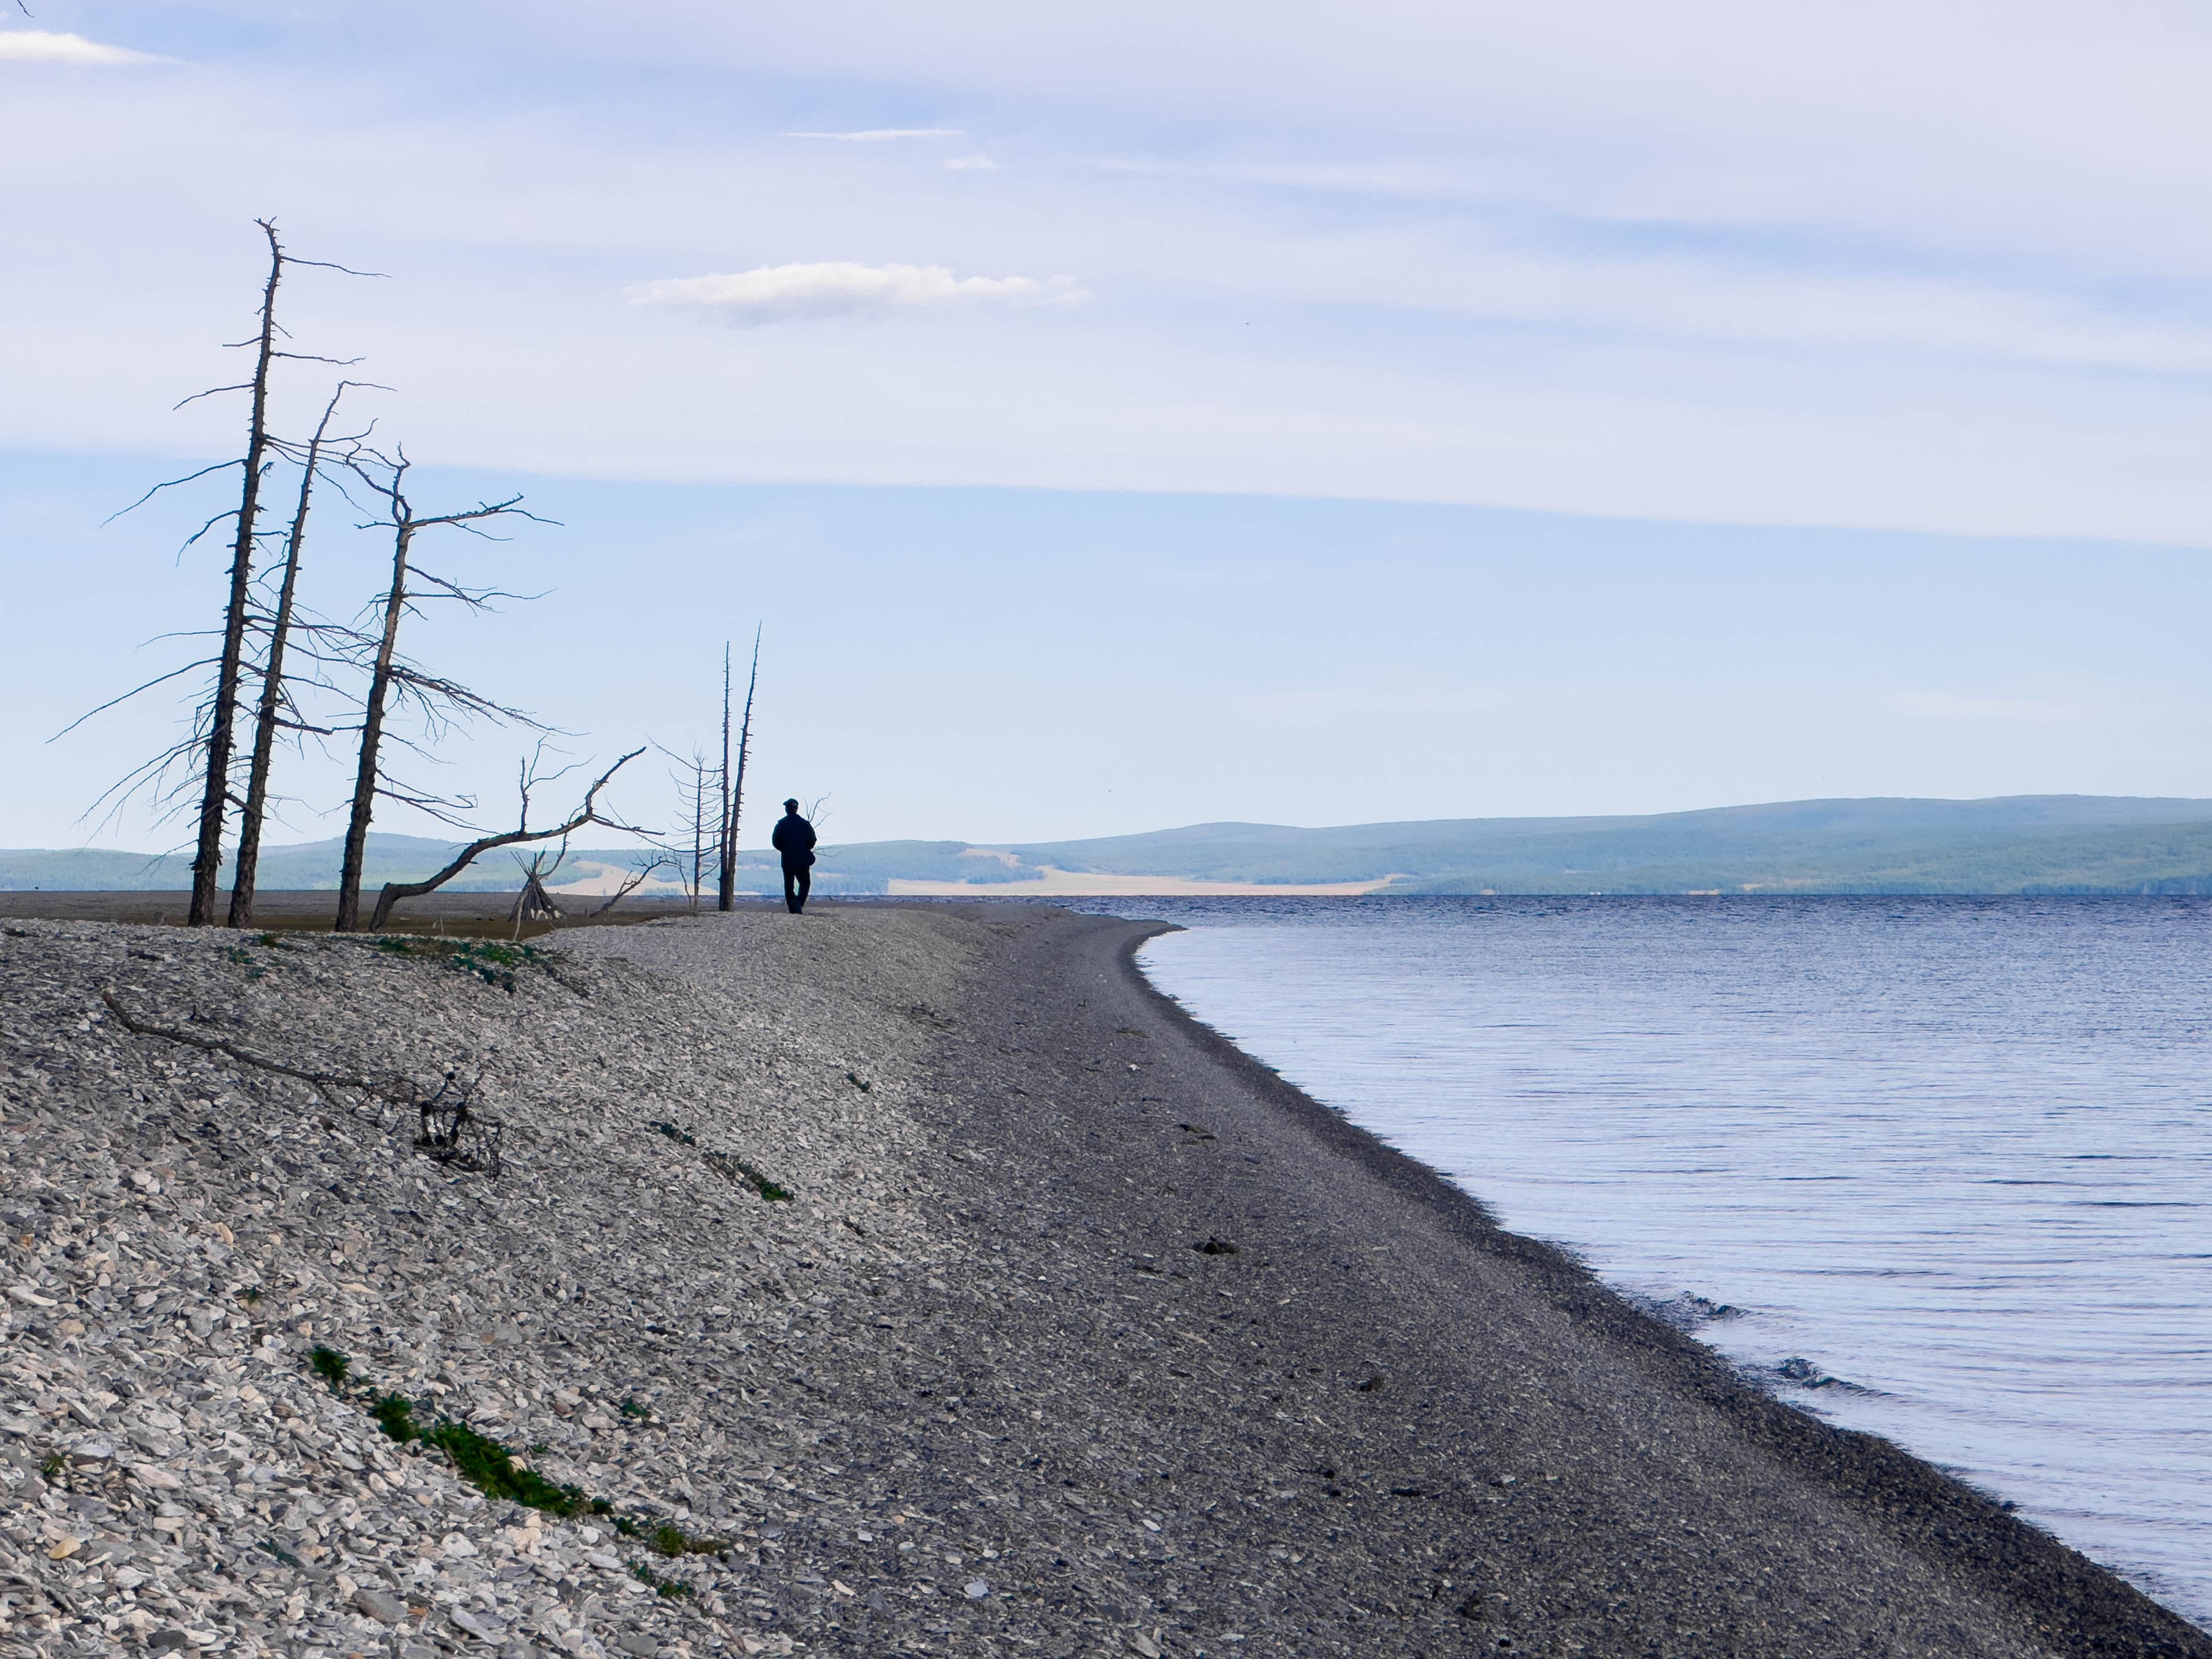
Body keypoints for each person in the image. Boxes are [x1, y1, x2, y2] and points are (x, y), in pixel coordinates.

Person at [771, 798, 817, 914]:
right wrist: (804, 848)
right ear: (796, 809)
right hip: (802, 859)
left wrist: (785, 850)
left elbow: (776, 842)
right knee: (805, 883)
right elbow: (812, 840)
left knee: (789, 885)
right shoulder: (805, 824)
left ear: (787, 810)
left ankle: (794, 906)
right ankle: (798, 903)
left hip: (788, 860)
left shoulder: (781, 825)